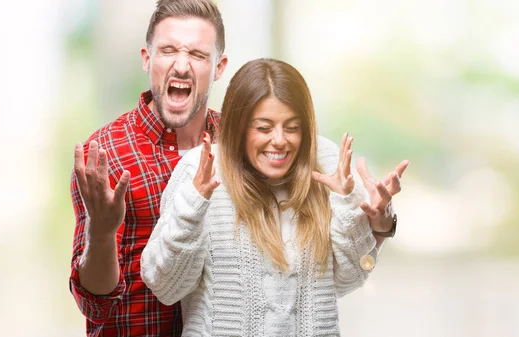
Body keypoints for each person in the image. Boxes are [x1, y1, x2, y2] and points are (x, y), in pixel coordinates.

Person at [69, 0, 408, 336]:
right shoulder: (106, 155)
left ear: (219, 66)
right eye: (169, 50)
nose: (183, 66)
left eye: (198, 55)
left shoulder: (259, 147)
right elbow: (95, 302)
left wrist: (378, 225)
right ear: (148, 59)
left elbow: (342, 273)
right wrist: (101, 231)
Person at [140, 58, 388, 336]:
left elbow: (349, 278)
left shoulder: (327, 162)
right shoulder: (201, 169)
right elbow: (166, 287)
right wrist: (191, 208)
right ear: (238, 127)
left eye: (292, 127)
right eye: (264, 127)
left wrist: (352, 208)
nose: (280, 140)